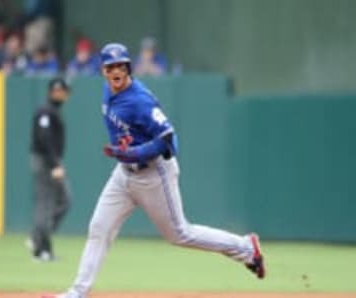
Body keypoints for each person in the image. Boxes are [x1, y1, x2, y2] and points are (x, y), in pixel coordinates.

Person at [43, 43, 265, 298]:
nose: (115, 71)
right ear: (103, 71)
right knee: (99, 228)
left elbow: (171, 140)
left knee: (180, 233)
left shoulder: (140, 100)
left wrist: (136, 152)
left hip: (153, 173)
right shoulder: (108, 90)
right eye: (110, 67)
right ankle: (78, 292)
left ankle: (246, 248)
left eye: (120, 66)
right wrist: (127, 150)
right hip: (123, 174)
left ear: (128, 68)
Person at [28, 77, 71, 262]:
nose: (59, 94)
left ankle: (37, 236)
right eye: (56, 91)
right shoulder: (45, 111)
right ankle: (42, 251)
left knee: (65, 201)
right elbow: (44, 139)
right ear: (50, 92)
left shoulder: (53, 111)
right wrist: (55, 165)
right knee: (45, 205)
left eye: (62, 91)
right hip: (45, 162)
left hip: (52, 161)